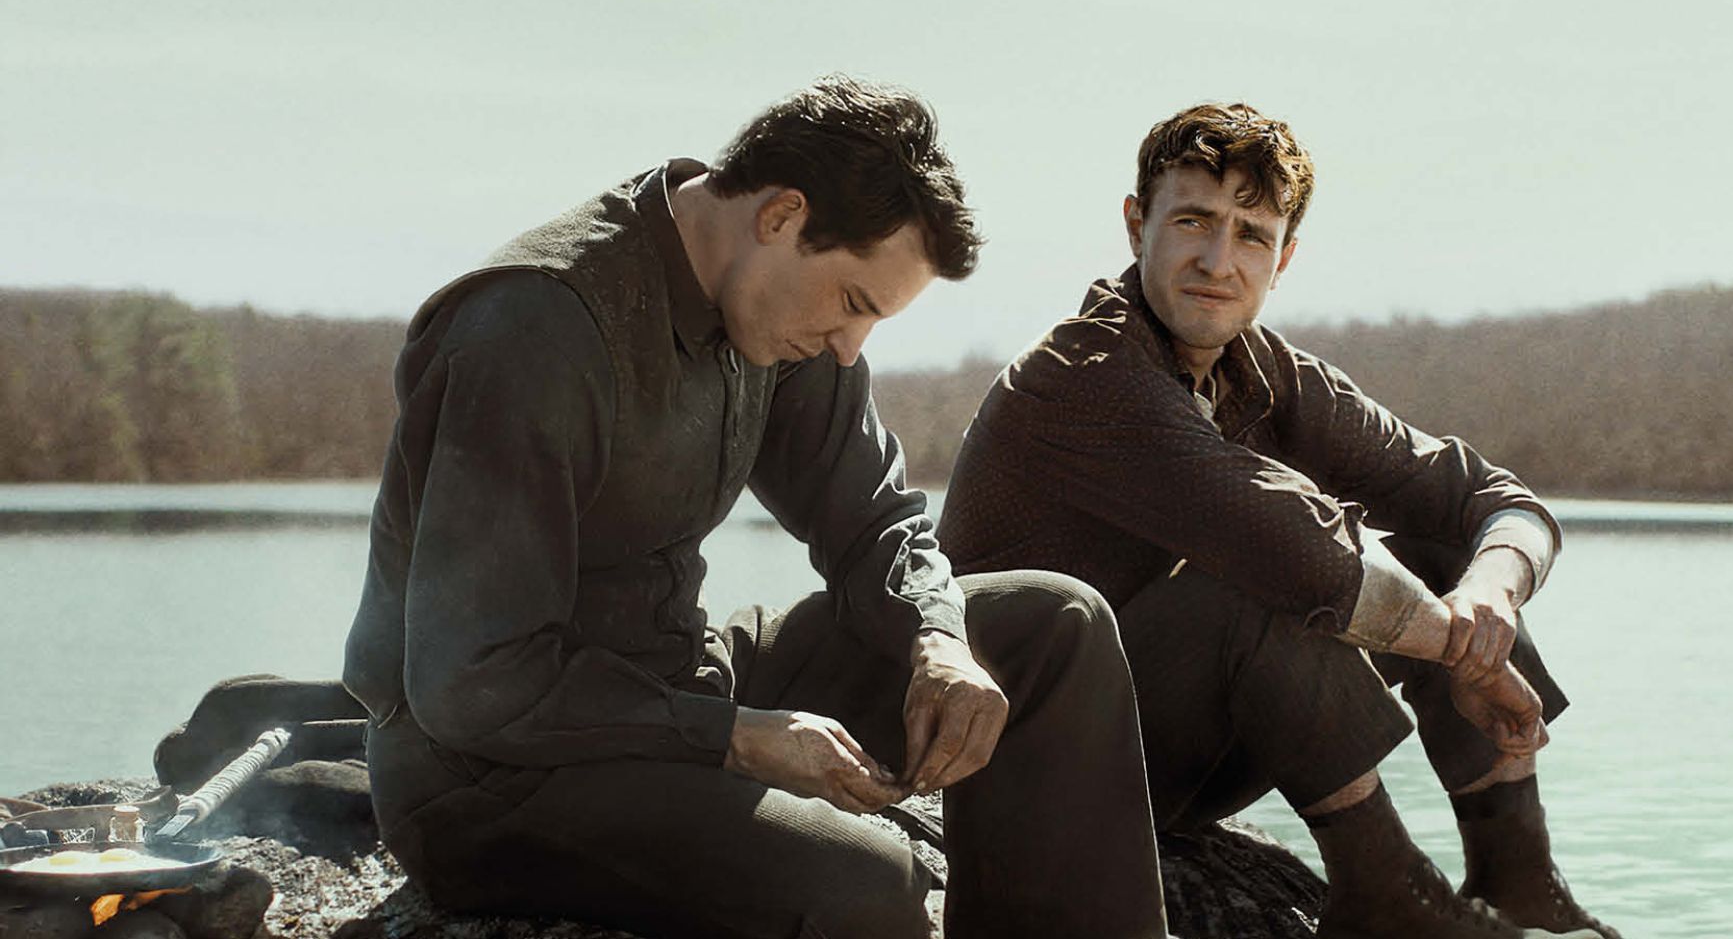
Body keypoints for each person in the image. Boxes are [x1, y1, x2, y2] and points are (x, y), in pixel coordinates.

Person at [342, 77, 1169, 939]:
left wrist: (939, 641)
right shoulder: (531, 328)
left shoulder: (779, 310)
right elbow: (474, 684)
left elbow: (873, 521)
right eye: (853, 303)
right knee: (869, 886)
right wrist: (736, 736)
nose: (850, 348)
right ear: (780, 216)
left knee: (1055, 626)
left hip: (680, 680)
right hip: (485, 775)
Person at [938, 103, 1619, 939]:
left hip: (1156, 758)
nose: (1218, 261)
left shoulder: (1268, 374)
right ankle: (1389, 895)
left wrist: (1490, 603)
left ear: (1284, 257)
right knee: (1253, 587)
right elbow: (1302, 556)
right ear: (1136, 225)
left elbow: (1495, 498)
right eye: (1193, 221)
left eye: (1252, 235)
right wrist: (1467, 654)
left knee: (1447, 556)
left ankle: (1519, 879)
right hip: (1018, 763)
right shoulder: (1085, 371)